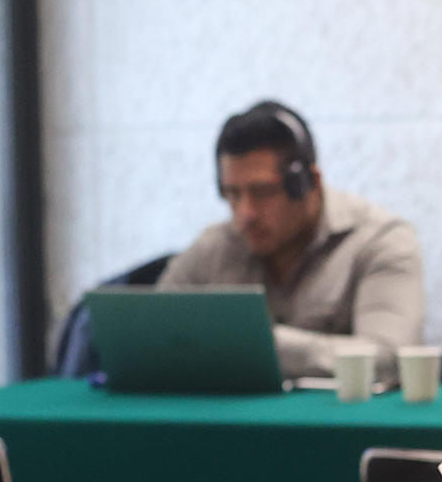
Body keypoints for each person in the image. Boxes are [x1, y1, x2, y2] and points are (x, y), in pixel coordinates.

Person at [159, 102, 424, 380]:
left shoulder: (380, 241)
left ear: (309, 183)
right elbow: (153, 337)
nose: (245, 214)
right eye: (232, 194)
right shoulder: (214, 247)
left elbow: (390, 359)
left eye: (262, 192)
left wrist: (254, 343)